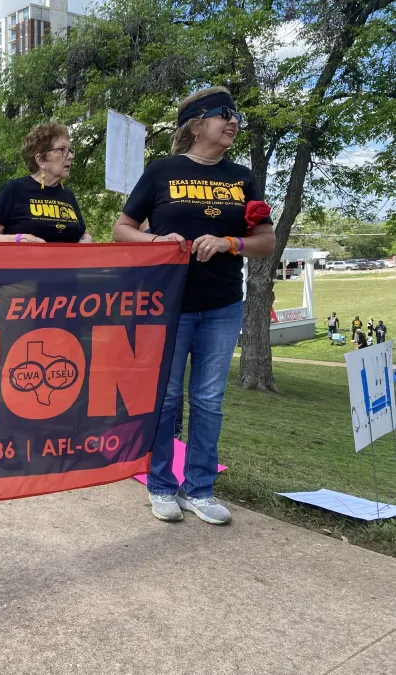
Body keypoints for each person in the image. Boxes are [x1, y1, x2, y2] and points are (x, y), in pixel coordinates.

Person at [112, 86, 275, 525]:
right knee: (165, 399)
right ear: (197, 123)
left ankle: (200, 489)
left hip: (222, 306)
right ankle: (162, 485)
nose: (234, 121)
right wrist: (156, 239)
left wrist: (229, 241)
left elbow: (266, 242)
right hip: (169, 306)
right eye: (225, 114)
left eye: (237, 114)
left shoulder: (242, 177)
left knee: (208, 399)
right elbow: (121, 230)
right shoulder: (162, 171)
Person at [0, 122, 92, 244]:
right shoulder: (14, 189)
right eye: (62, 150)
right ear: (41, 160)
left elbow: (84, 235)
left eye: (70, 150)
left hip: (67, 263)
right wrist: (18, 239)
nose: (70, 156)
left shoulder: (68, 195)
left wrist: (86, 241)